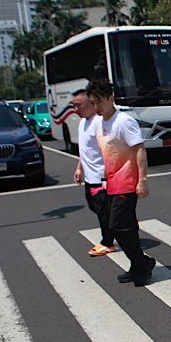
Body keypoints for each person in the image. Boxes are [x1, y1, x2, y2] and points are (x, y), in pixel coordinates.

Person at [86, 79, 155, 286]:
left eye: (99, 102)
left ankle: (143, 262)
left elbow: (139, 150)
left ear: (110, 98)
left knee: (116, 226)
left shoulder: (124, 121)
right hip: (112, 182)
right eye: (93, 103)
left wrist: (142, 180)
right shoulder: (99, 122)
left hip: (128, 181)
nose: (96, 107)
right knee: (126, 226)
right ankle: (137, 266)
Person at [71, 89, 115, 257]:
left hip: (100, 176)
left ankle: (108, 243)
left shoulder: (99, 122)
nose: (76, 109)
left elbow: (108, 150)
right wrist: (79, 168)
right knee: (94, 206)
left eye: (79, 105)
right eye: (73, 106)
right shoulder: (83, 122)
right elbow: (85, 149)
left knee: (103, 211)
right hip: (89, 176)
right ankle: (120, 220)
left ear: (91, 103)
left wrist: (107, 176)